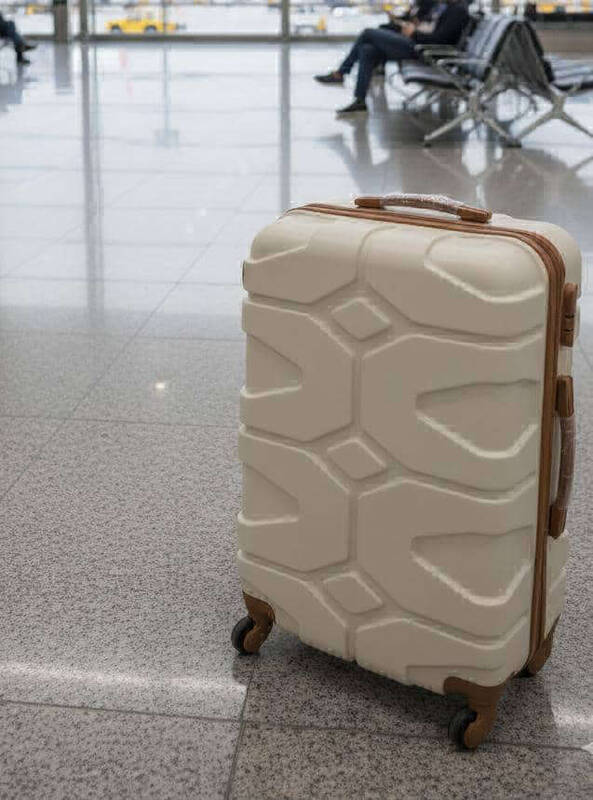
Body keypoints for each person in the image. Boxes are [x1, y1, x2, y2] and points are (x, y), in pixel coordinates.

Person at [314, 0, 469, 115]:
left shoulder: (457, 11)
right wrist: (414, 28)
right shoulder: (447, 7)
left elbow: (438, 41)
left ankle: (341, 73)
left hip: (424, 51)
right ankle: (359, 101)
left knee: (368, 33)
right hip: (419, 45)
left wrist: (413, 33)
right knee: (368, 50)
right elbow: (431, 29)